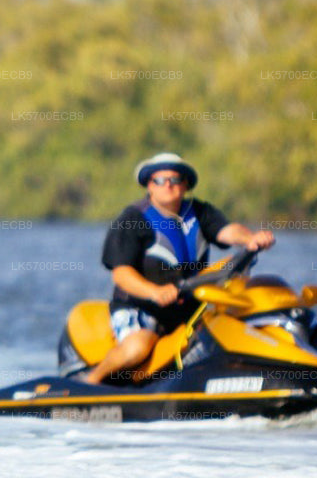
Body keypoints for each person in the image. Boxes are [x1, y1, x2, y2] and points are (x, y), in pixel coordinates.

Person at [82, 152, 274, 384]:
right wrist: (155, 292)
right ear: (149, 186)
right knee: (137, 348)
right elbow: (121, 274)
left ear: (185, 185)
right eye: (160, 180)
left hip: (191, 307)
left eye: (175, 180)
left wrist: (250, 239)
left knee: (233, 327)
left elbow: (228, 231)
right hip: (142, 307)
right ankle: (91, 382)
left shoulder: (201, 213)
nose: (168, 186)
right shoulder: (132, 218)